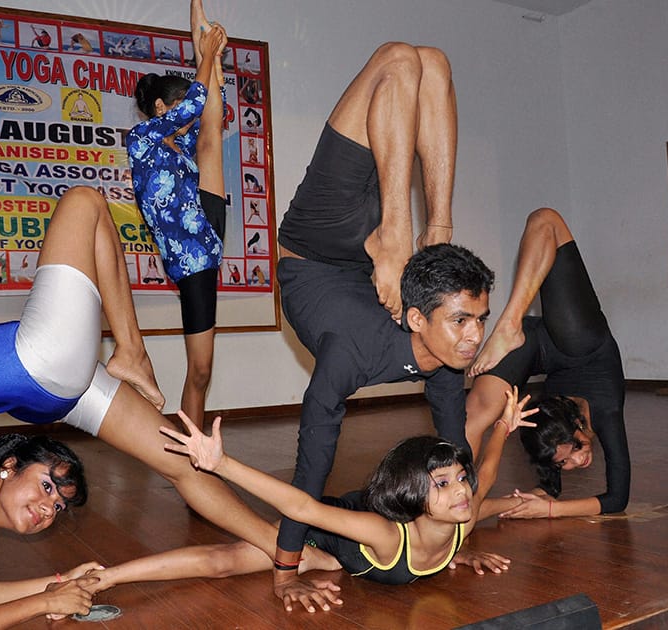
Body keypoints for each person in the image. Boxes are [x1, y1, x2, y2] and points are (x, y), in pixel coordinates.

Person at [0, 186, 332, 628]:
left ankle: (131, 350)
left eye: (47, 489)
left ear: (9, 466)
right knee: (181, 463)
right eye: (55, 501)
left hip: (43, 361)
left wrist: (43, 602)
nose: (47, 508)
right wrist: (52, 588)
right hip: (48, 381)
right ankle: (289, 552)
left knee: (83, 200)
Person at [272, 41, 473, 611]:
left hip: (311, 252)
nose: (472, 337)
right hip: (369, 251)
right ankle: (420, 228)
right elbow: (315, 455)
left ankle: (411, 231)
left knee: (412, 61)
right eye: (463, 321)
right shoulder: (392, 351)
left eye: (474, 323)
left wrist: (456, 541)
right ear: (420, 318)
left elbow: (451, 455)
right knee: (420, 62)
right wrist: (286, 567)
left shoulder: (400, 357)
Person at [84, 387, 533, 602]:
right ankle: (104, 578)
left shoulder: (465, 511)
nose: (460, 490)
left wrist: (503, 427)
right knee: (225, 562)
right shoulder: (382, 535)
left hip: (344, 554)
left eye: (458, 479)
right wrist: (222, 465)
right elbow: (304, 507)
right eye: (443, 483)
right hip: (328, 529)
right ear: (414, 494)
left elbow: (487, 471)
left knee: (494, 504)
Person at [465, 207, 630, 519]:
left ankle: (464, 512)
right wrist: (547, 508)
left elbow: (560, 495)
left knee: (544, 219)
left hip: (549, 348)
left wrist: (535, 508)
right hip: (584, 344)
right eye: (575, 451)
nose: (575, 463)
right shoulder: (606, 413)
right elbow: (617, 499)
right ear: (578, 425)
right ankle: (454, 501)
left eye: (565, 460)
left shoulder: (552, 433)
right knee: (476, 413)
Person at [127, 0, 228, 429]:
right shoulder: (142, 139)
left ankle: (195, 452)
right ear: (161, 109)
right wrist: (204, 59)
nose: (188, 115)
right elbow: (194, 106)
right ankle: (191, 447)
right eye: (180, 107)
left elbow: (208, 111)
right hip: (191, 257)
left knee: (211, 134)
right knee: (201, 368)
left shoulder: (180, 147)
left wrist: (211, 54)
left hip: (207, 228)